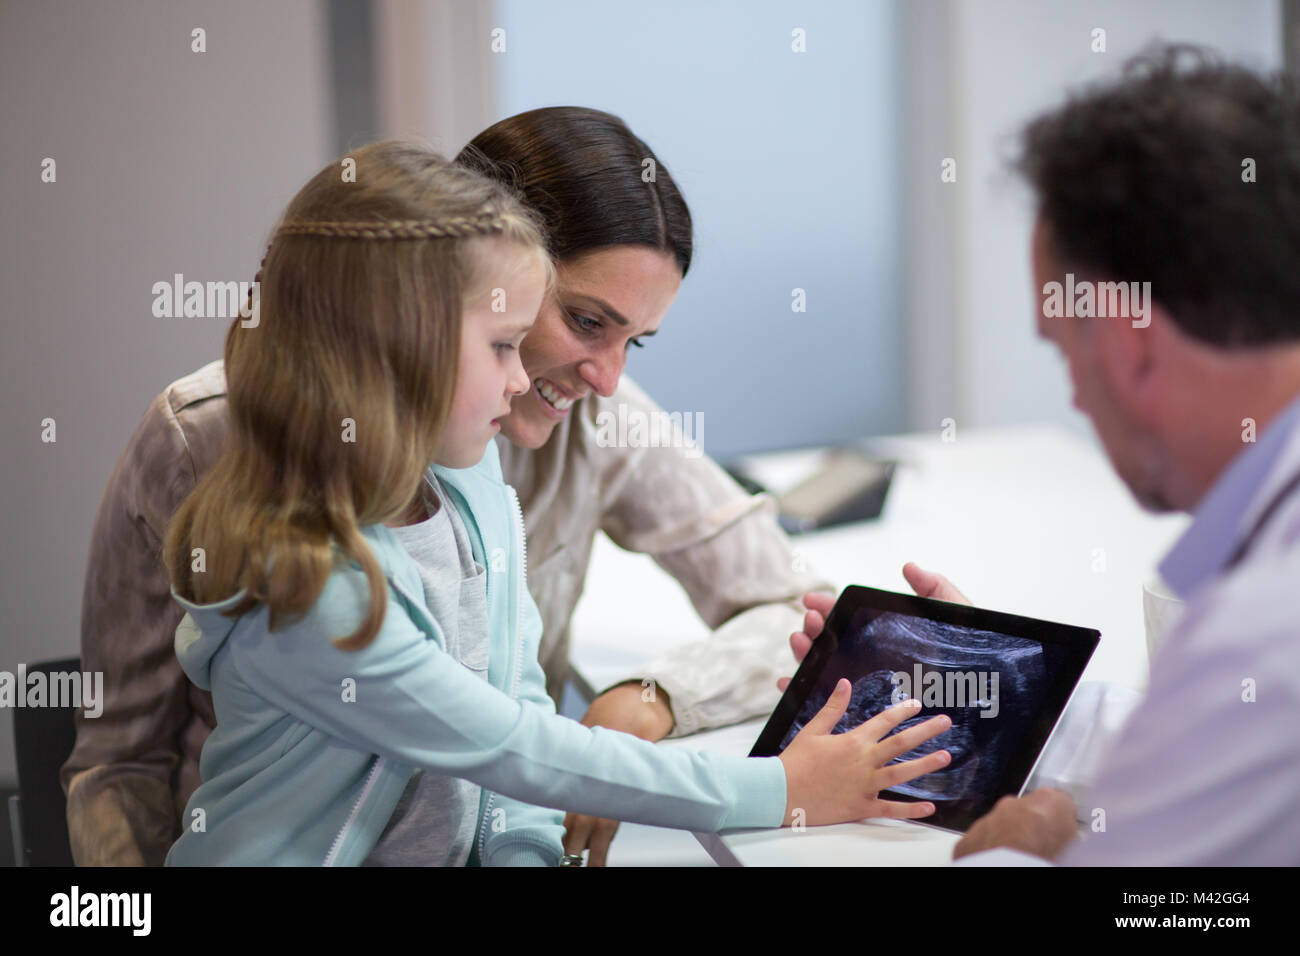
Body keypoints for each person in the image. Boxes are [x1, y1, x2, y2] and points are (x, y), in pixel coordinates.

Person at [62, 107, 839, 866]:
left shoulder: (507, 466)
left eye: (635, 340)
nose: (607, 378)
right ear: (416, 309)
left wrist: (647, 702)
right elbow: (117, 764)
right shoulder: (219, 451)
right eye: (581, 320)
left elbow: (788, 608)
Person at [792, 46, 1300, 866]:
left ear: (1131, 347)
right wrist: (998, 696)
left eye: (1065, 350)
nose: (1072, 397)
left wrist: (1031, 851)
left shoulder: (1260, 633)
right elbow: (1206, 747)